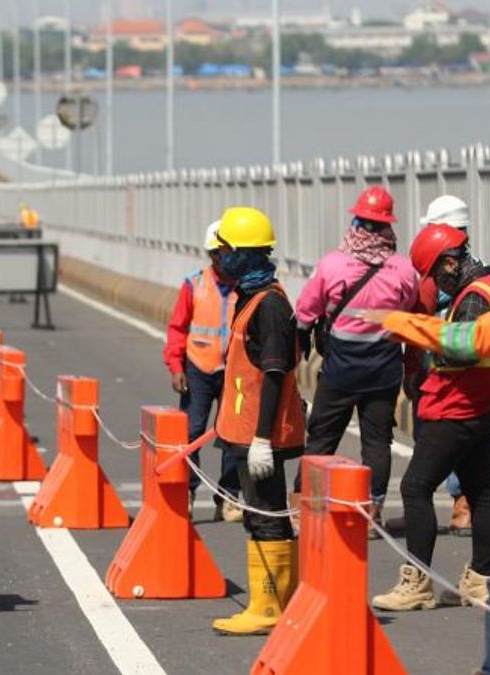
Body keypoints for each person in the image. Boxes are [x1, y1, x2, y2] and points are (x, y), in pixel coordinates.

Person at [360, 268, 490, 675]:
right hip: (483, 411)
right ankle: (475, 577)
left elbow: (478, 339)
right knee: (479, 492)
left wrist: (399, 322)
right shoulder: (488, 286)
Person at [371, 224, 490, 612]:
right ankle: (483, 578)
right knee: (479, 488)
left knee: (415, 487)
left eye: (433, 273)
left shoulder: (472, 298)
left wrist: (425, 342)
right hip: (481, 403)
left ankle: (417, 582)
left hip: (457, 407)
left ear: (449, 262)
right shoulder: (489, 287)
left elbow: (462, 351)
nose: (433, 282)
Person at [293, 185, 418, 532]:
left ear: (357, 222)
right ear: (388, 226)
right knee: (377, 441)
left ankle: (306, 504)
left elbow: (306, 312)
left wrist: (301, 339)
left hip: (340, 370)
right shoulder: (404, 270)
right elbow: (410, 315)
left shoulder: (332, 264)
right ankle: (372, 509)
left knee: (322, 436)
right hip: (384, 370)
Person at [209, 207, 306, 636]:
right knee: (259, 513)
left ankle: (269, 607)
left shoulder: (268, 306)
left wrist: (264, 438)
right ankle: (275, 602)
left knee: (266, 514)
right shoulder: (251, 296)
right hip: (244, 431)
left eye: (227, 250)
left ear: (245, 254)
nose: (221, 257)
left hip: (259, 434)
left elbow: (271, 375)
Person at [163, 221, 242, 522]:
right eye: (219, 254)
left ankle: (229, 497)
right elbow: (177, 328)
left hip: (234, 372)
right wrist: (175, 365)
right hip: (198, 368)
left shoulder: (246, 289)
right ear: (211, 255)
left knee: (233, 436)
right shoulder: (194, 284)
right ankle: (187, 491)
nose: (224, 260)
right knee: (192, 432)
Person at [411, 195, 477, 536]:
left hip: (439, 367)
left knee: (437, 439)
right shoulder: (477, 269)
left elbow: (418, 321)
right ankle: (463, 506)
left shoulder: (438, 274)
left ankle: (456, 505)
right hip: (466, 371)